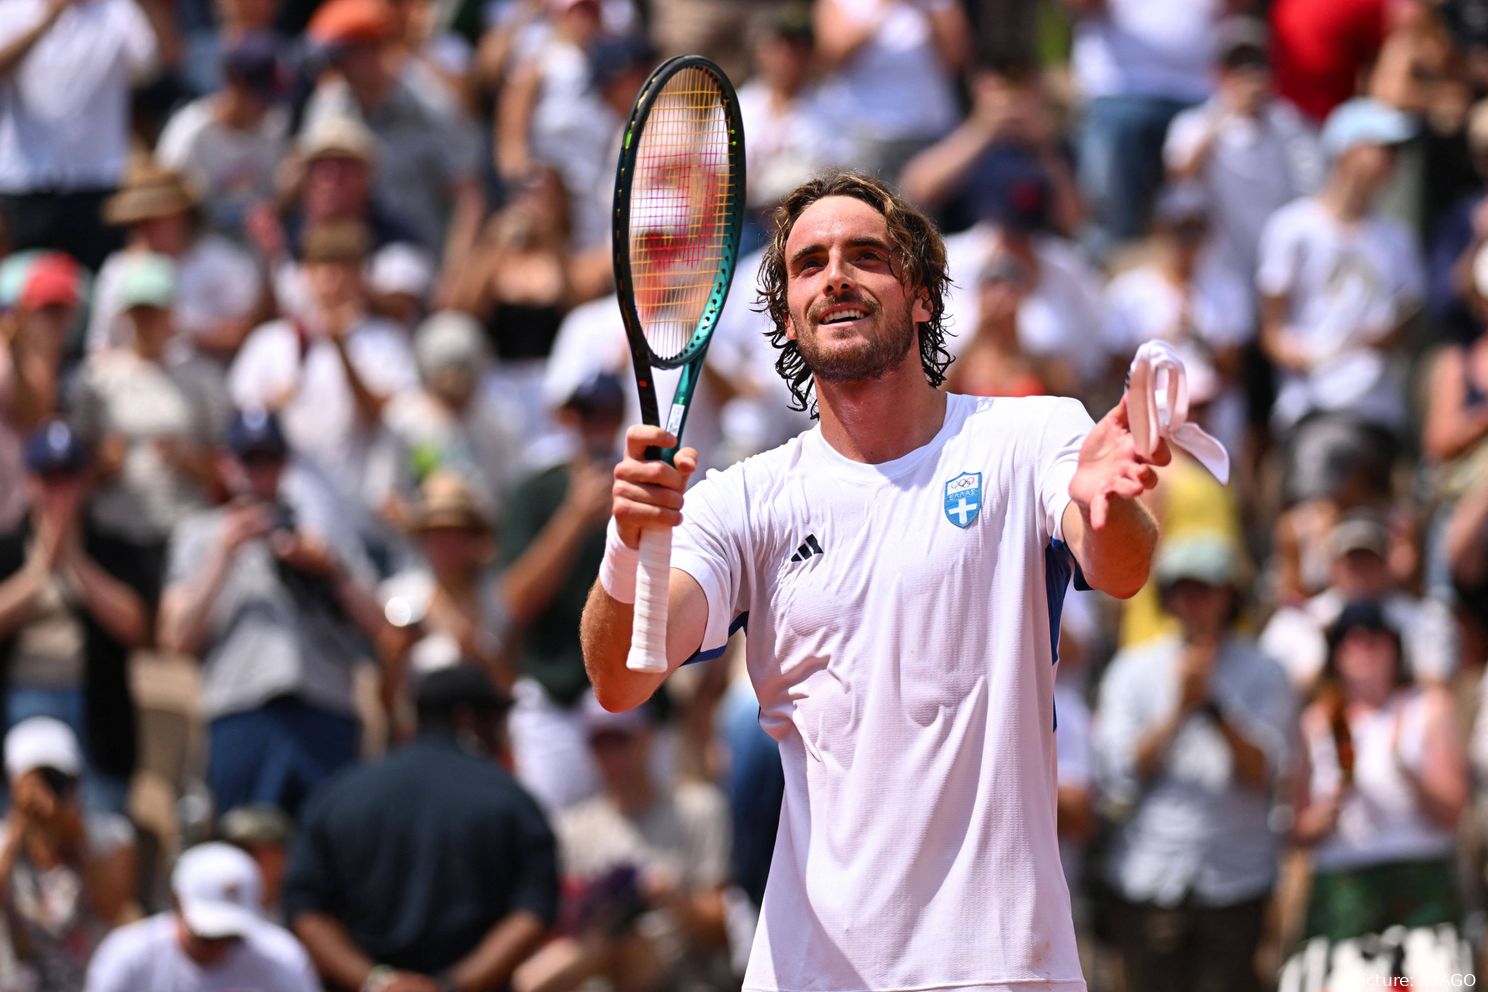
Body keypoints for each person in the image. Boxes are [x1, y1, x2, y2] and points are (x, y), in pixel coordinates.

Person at [581, 171, 1167, 991]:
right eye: (810, 263)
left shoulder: (1029, 435)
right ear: (787, 314)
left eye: (866, 255)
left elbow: (1121, 566)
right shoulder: (745, 500)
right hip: (812, 974)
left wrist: (1110, 507)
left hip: (1001, 968)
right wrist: (627, 545)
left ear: (922, 296)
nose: (836, 277)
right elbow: (621, 676)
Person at [158, 408, 388, 817]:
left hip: (325, 708)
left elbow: (382, 628)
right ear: (226, 464)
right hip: (240, 710)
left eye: (268, 460)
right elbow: (174, 638)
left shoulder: (323, 533)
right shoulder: (199, 535)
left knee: (327, 849)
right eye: (248, 459)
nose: (256, 473)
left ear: (285, 465)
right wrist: (223, 554)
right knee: (242, 842)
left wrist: (331, 570)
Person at [1094, 533, 1296, 992]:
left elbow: (1265, 773)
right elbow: (1120, 775)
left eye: (1206, 588)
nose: (1194, 602)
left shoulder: (1265, 671)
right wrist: (1179, 710)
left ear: (1230, 595)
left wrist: (1214, 707)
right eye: (1182, 590)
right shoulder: (1133, 669)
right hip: (1151, 875)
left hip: (1236, 879)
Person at [284, 663, 559, 992]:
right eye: (495, 718)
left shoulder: (336, 795)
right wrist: (449, 985)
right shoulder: (513, 800)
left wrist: (380, 983)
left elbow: (306, 911)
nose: (501, 731)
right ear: (467, 718)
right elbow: (531, 912)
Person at [1284, 600, 1471, 987]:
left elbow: (1455, 812)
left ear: (1394, 648)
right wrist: (1331, 805)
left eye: (1374, 637)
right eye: (1349, 639)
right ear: (1335, 655)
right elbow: (1297, 829)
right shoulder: (1316, 722)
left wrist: (1407, 771)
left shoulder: (1428, 709)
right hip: (1343, 889)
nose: (1362, 646)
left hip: (1420, 884)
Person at [1257, 97, 1426, 505]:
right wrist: (1316, 357)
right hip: (1316, 409)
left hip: (1380, 414)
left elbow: (1408, 326)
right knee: (1315, 519)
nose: (1393, 160)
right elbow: (1273, 330)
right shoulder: (1292, 228)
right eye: (1383, 148)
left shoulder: (1397, 239)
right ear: (1348, 151)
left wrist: (1386, 337)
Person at [515, 695, 733, 992]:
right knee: (536, 976)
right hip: (602, 966)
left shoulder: (698, 809)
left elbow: (722, 927)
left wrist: (672, 899)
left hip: (683, 973)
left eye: (620, 740)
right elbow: (564, 926)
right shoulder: (574, 829)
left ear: (648, 738)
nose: (610, 756)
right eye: (599, 744)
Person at [0, 421, 150, 812]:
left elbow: (135, 625)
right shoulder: (6, 550)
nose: (58, 491)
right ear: (30, 482)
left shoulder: (112, 548)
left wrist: (75, 561)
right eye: (48, 478)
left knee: (101, 826)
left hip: (94, 712)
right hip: (19, 700)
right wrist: (40, 571)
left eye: (68, 477)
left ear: (85, 481)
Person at [0, 0, 178, 270]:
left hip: (97, 178)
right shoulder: (13, 8)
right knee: (26, 285)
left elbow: (156, 65)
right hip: (26, 179)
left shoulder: (120, 10)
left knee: (96, 279)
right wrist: (48, 19)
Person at [0, 717, 135, 991]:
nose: (48, 791)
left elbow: (112, 906)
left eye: (57, 779)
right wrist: (18, 830)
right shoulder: (3, 840)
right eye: (36, 779)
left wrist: (76, 836)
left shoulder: (112, 835)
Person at [84, 842, 319, 992]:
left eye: (233, 936)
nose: (220, 946)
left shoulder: (282, 957)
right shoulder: (129, 956)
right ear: (177, 903)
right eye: (207, 936)